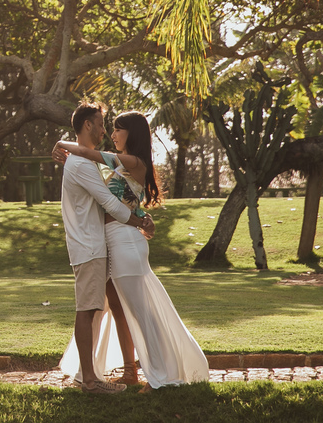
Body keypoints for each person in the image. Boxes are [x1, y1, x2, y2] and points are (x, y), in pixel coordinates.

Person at [54, 110, 209, 389]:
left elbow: (90, 155)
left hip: (125, 241)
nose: (111, 134)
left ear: (132, 134)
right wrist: (142, 218)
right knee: (121, 308)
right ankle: (130, 371)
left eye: (118, 129)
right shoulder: (115, 165)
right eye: (109, 128)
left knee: (141, 314)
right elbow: (122, 196)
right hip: (112, 242)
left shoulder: (133, 161)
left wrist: (61, 144)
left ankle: (161, 375)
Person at [57, 102, 155, 393]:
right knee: (90, 309)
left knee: (108, 308)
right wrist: (139, 221)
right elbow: (110, 203)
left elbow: (122, 195)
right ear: (87, 125)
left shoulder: (93, 162)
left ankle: (107, 374)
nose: (105, 131)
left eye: (112, 127)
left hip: (104, 243)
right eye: (101, 124)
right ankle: (91, 379)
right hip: (91, 245)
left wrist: (140, 218)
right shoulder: (81, 163)